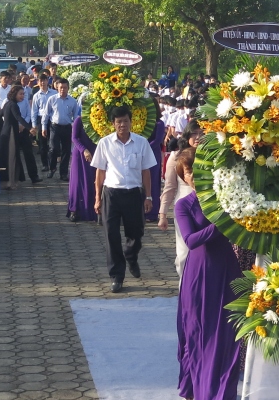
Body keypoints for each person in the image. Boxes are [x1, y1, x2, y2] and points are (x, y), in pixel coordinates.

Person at [174, 147, 243, 400]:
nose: (193, 176)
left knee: (227, 340)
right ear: (183, 176)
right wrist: (221, 222)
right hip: (199, 275)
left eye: (197, 170)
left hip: (228, 270)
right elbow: (191, 240)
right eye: (188, 171)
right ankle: (194, 383)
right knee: (198, 337)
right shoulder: (184, 205)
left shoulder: (225, 198)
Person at [92, 105, 158, 293]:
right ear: (113, 124)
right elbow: (100, 172)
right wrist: (97, 198)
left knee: (136, 234)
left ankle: (131, 255)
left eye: (126, 121)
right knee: (111, 235)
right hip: (111, 194)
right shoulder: (104, 143)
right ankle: (117, 275)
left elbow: (146, 171)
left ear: (131, 122)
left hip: (134, 194)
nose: (122, 125)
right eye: (119, 122)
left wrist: (148, 196)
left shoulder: (141, 142)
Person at [160, 128, 205, 277]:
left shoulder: (211, 155)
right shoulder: (176, 156)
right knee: (184, 252)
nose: (198, 137)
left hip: (207, 206)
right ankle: (184, 287)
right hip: (185, 209)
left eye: (201, 133)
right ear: (187, 136)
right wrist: (163, 213)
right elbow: (170, 187)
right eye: (194, 133)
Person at [0, 85, 40, 189]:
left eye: (23, 94)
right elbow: (18, 117)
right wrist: (30, 128)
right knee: (12, 157)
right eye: (20, 94)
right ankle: (10, 182)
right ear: (15, 94)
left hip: (7, 132)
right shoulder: (13, 105)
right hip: (11, 133)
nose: (22, 96)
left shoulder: (8, 104)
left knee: (13, 156)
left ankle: (12, 180)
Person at [44, 78, 80, 181]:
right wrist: (43, 127)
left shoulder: (73, 101)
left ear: (68, 88)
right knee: (53, 148)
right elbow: (46, 114)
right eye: (60, 87)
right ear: (57, 87)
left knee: (66, 150)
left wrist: (75, 127)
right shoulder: (52, 99)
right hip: (54, 127)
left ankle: (63, 173)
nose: (62, 89)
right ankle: (52, 168)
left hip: (67, 127)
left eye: (65, 87)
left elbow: (76, 116)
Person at [68, 116, 98, 223]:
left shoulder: (101, 118)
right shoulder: (79, 120)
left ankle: (92, 210)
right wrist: (84, 150)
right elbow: (74, 138)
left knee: (92, 180)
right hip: (80, 154)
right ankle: (74, 210)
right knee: (77, 182)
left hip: (95, 152)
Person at [30, 74, 56, 174]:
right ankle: (45, 164)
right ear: (38, 82)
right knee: (42, 144)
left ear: (47, 81)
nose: (42, 83)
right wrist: (34, 125)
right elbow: (34, 111)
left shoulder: (54, 93)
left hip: (52, 119)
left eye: (44, 80)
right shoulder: (36, 95)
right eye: (40, 81)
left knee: (53, 144)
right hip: (41, 120)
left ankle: (52, 164)